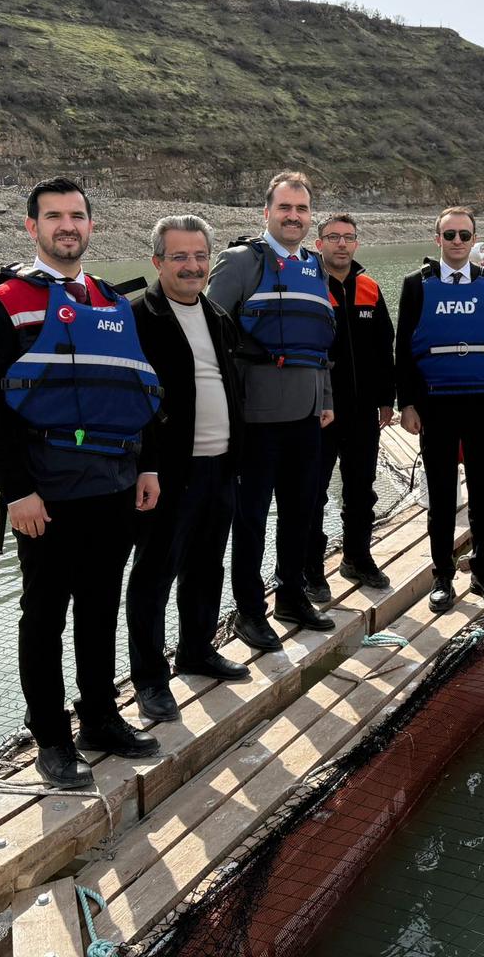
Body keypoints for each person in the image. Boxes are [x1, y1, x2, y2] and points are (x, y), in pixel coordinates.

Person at [0, 177, 161, 789]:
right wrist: (16, 490)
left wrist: (146, 465)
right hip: (44, 497)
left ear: (90, 226)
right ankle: (51, 737)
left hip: (112, 488)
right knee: (44, 617)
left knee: (101, 610)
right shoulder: (6, 303)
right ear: (33, 227)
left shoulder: (111, 302)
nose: (67, 226)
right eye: (54, 217)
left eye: (77, 216)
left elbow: (135, 391)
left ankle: (100, 717)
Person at [125, 215, 250, 723]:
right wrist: (145, 465)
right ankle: (150, 680)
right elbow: (130, 402)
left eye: (200, 256)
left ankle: (196, 651)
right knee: (154, 576)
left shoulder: (218, 316)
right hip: (167, 473)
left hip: (220, 465)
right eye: (179, 256)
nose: (192, 266)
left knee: (205, 566)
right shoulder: (136, 317)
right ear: (157, 262)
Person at [207, 171, 337, 651]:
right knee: (252, 519)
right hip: (255, 418)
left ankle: (291, 595)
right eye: (285, 208)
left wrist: (324, 399)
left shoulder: (316, 266)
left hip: (305, 414)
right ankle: (248, 612)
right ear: (267, 212)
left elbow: (318, 342)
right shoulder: (241, 261)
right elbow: (212, 336)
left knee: (301, 512)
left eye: (302, 209)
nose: (293, 216)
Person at [395, 207, 484, 612]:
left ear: (474, 238)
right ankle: (442, 577)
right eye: (449, 235)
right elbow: (403, 351)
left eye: (464, 235)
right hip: (436, 406)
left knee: (482, 492)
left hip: (483, 404)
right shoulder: (416, 286)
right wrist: (408, 403)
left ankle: (483, 571)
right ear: (438, 240)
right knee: (442, 495)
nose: (457, 242)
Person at [310, 213, 396, 594]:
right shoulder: (306, 285)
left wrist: (387, 400)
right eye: (333, 237)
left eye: (348, 237)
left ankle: (357, 558)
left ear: (357, 243)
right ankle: (310, 569)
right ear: (319, 244)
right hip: (318, 411)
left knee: (361, 487)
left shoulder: (370, 288)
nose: (341, 244)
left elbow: (384, 348)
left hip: (363, 410)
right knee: (312, 492)